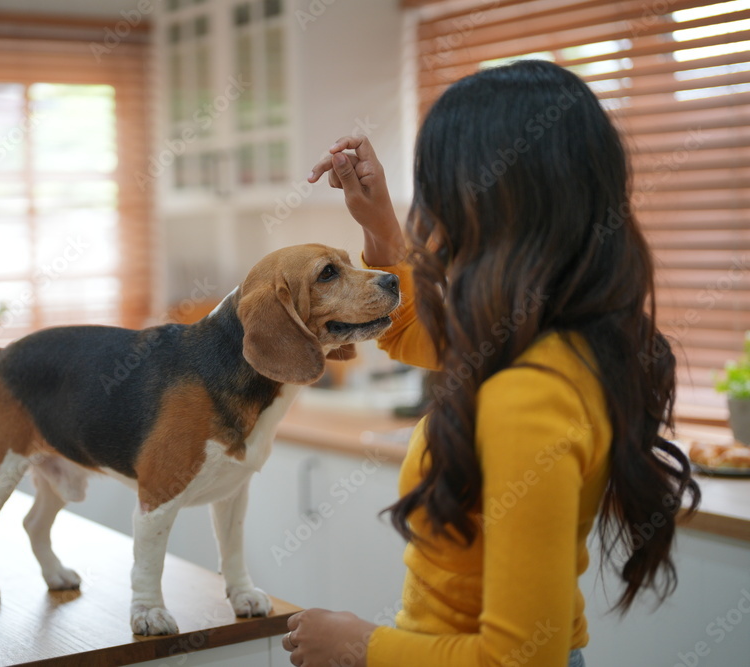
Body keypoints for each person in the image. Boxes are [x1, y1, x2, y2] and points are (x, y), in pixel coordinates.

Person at [282, 59, 701, 667]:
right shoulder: (561, 343)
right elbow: (409, 334)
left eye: (437, 189)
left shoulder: (527, 394)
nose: (434, 216)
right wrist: (379, 225)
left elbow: (518, 659)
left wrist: (361, 646)